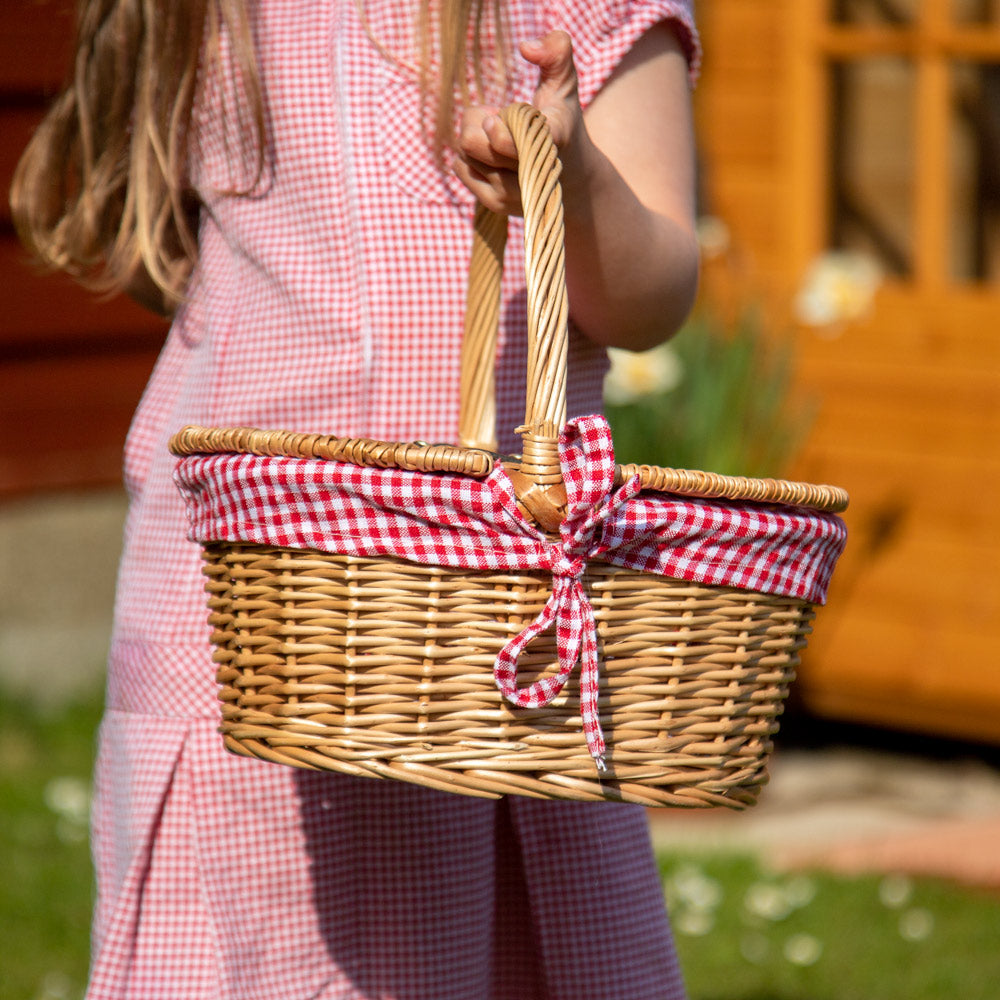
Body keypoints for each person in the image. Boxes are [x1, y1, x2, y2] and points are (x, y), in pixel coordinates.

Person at [12, 1, 701, 997]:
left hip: (495, 602)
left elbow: (652, 296)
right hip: (233, 594)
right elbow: (158, 238)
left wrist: (574, 180)